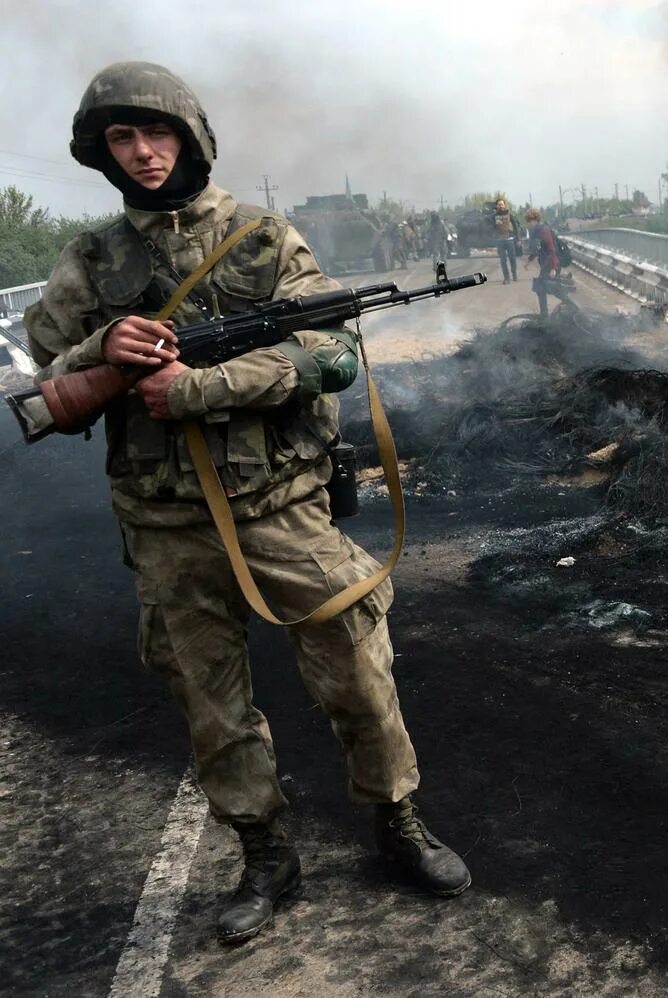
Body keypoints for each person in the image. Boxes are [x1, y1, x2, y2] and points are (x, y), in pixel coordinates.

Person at [23, 61, 471, 945]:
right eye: (122, 137)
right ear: (100, 151)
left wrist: (205, 384)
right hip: (165, 522)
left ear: (191, 136)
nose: (145, 152)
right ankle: (266, 854)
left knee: (359, 668)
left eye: (159, 133)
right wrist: (103, 347)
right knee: (211, 704)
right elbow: (43, 386)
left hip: (281, 505)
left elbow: (332, 356)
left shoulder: (262, 238)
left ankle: (396, 822)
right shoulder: (90, 261)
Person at [493, 197, 519, 284]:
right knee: (503, 261)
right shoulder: (494, 216)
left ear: (504, 205)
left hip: (509, 240)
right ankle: (506, 278)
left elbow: (516, 227)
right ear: (496, 206)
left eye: (502, 204)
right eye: (499, 204)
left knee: (512, 259)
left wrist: (518, 239)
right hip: (500, 240)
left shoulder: (509, 215)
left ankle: (514, 273)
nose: (500, 206)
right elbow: (491, 228)